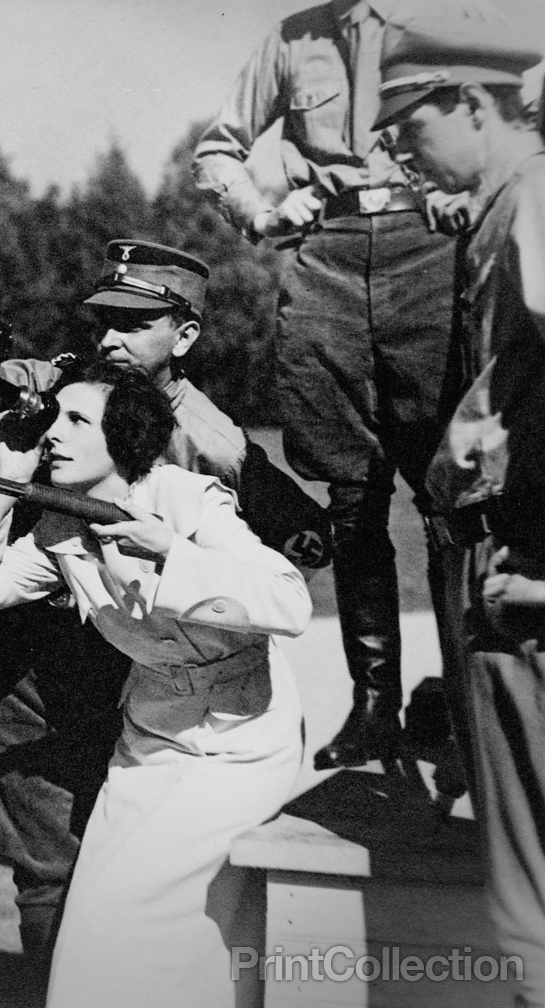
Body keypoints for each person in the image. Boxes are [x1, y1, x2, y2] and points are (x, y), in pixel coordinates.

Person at [0, 239, 328, 977]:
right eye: (102, 323)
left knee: (101, 877)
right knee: (44, 862)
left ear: (184, 336)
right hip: (22, 647)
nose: (108, 341)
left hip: (118, 666)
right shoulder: (75, 389)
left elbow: (277, 568)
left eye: (133, 325)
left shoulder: (206, 446)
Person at [193, 0, 508, 774]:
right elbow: (217, 150)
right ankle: (375, 712)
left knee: (449, 495)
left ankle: (470, 711)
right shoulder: (293, 38)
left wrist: (474, 195)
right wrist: (261, 214)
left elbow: (507, 127)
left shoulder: (450, 23)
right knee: (349, 495)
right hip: (325, 256)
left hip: (428, 251)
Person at [374, 17, 545, 1002]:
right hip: (502, 571)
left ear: (475, 104)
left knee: (529, 911)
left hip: (526, 572)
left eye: (408, 119)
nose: (392, 144)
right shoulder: (495, 202)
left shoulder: (529, 193)